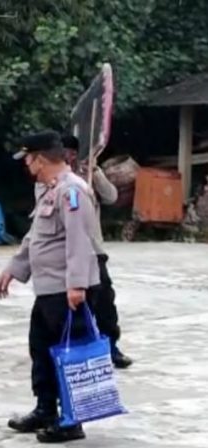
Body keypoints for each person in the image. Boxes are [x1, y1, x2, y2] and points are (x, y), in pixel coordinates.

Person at [0, 130, 100, 444]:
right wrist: (15, 268)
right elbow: (36, 236)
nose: (26, 165)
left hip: (65, 291)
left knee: (69, 354)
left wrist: (77, 285)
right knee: (41, 350)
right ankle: (46, 409)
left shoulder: (72, 191)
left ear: (40, 159)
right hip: (47, 289)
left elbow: (79, 241)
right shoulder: (50, 190)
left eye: (28, 159)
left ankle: (72, 420)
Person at [62, 135, 133, 369]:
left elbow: (111, 196)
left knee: (104, 302)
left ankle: (111, 346)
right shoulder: (54, 179)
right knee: (73, 305)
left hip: (94, 249)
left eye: (70, 152)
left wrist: (95, 171)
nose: (67, 157)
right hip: (66, 251)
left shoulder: (89, 175)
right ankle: (77, 351)